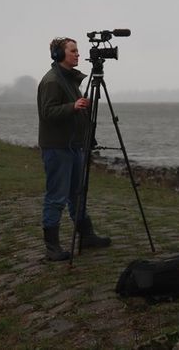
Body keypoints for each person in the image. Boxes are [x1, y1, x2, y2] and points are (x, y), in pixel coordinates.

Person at [38, 37, 111, 261]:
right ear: (59, 55)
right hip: (57, 147)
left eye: (78, 50)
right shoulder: (52, 81)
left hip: (73, 145)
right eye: (73, 51)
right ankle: (52, 247)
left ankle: (86, 236)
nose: (78, 54)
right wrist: (73, 106)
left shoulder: (70, 80)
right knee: (57, 197)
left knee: (77, 193)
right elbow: (47, 113)